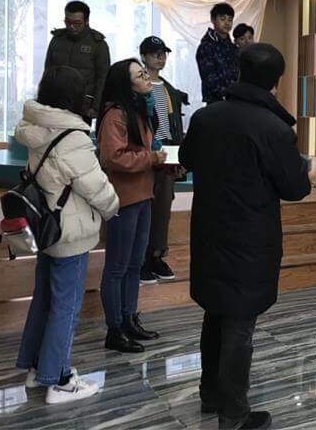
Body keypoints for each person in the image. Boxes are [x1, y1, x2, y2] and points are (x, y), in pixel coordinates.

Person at [180, 43, 311, 430]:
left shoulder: (205, 117)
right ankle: (234, 414)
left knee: (215, 313)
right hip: (250, 239)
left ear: (240, 72)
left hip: (209, 232)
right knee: (239, 323)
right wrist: (303, 169)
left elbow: (186, 159)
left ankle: (211, 394)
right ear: (276, 82)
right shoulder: (274, 128)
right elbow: (295, 188)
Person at [14, 65, 119, 405]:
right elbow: (96, 187)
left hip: (46, 227)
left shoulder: (35, 127)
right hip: (70, 232)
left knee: (43, 300)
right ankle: (58, 380)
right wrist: (114, 206)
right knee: (66, 306)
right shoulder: (72, 137)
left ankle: (37, 367)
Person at [97, 59, 167, 354]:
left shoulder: (139, 111)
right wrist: (151, 159)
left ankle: (129, 319)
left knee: (135, 264)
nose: (147, 77)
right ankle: (114, 329)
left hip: (143, 196)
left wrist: (163, 163)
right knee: (117, 267)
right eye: (140, 75)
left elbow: (143, 152)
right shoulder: (115, 115)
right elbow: (113, 158)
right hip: (123, 200)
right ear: (126, 85)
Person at [138, 36, 189, 284]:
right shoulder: (137, 86)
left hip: (168, 153)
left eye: (163, 53)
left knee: (163, 208)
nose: (160, 58)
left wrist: (180, 158)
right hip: (145, 154)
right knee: (143, 206)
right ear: (144, 56)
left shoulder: (169, 89)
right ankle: (140, 259)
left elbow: (174, 124)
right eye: (155, 53)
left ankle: (157, 255)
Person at [44, 1, 110, 124]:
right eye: (68, 22)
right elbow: (48, 72)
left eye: (77, 23)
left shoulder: (98, 44)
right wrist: (43, 100)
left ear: (86, 21)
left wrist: (96, 107)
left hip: (83, 105)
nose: (71, 27)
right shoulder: (57, 40)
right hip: (56, 104)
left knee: (77, 136)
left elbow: (103, 78)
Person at [196, 2, 238, 104]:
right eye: (222, 19)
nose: (227, 23)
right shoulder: (206, 46)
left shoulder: (233, 47)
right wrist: (226, 95)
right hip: (216, 101)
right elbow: (209, 78)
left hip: (235, 100)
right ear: (213, 20)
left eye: (230, 20)